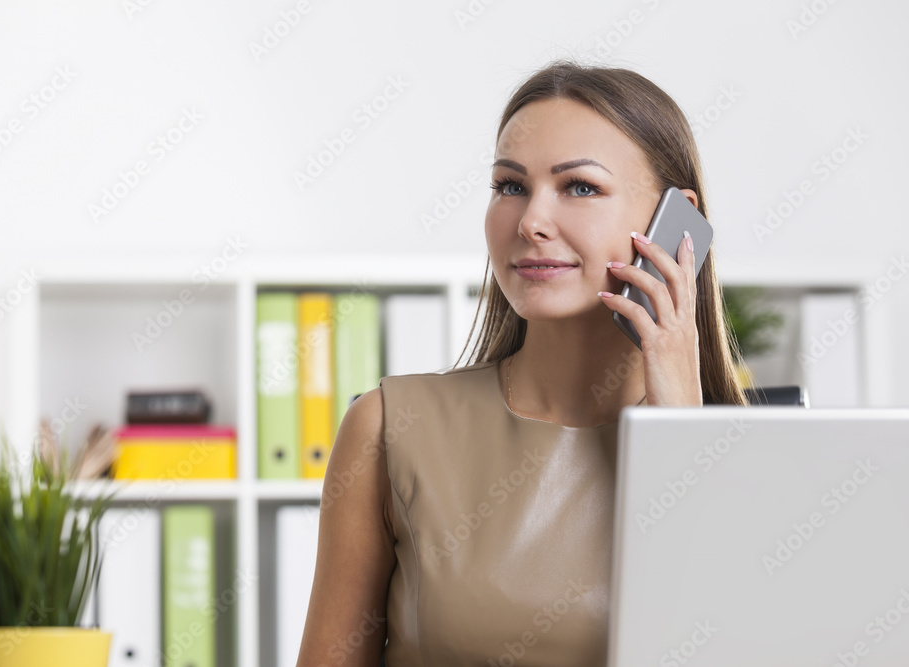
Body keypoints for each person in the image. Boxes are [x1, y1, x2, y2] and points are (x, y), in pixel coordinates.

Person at [296, 59, 750, 666]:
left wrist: (682, 435)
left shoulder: (750, 463)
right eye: (510, 186)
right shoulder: (388, 429)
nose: (531, 222)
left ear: (678, 224)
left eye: (580, 187)